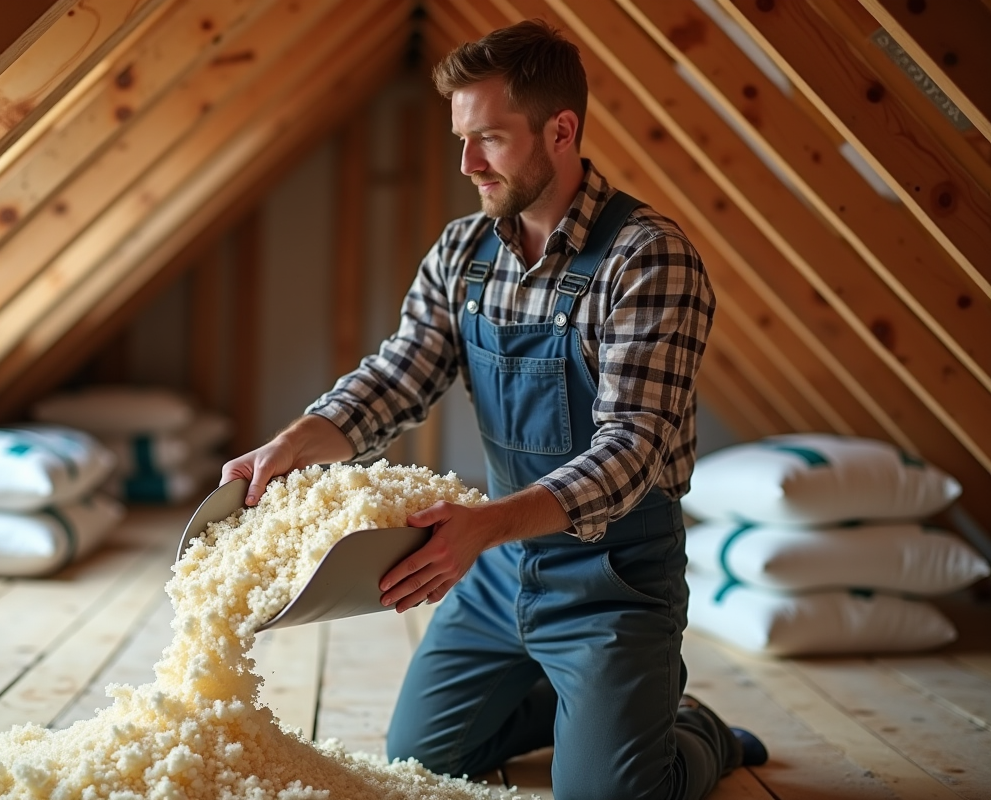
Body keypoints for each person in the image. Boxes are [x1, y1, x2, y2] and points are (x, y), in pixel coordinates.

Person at [221, 18, 766, 800]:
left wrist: (483, 526)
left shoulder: (649, 257)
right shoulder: (461, 252)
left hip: (613, 577)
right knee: (420, 759)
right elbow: (402, 372)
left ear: (561, 130)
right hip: (499, 566)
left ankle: (689, 727)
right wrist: (299, 440)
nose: (468, 163)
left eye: (491, 140)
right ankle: (597, 712)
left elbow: (633, 447)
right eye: (461, 140)